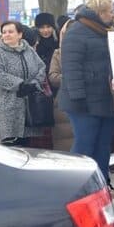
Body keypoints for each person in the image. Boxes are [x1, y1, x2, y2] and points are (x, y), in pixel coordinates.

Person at [59, 0, 114, 194]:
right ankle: (74, 188)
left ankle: (100, 186)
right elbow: (71, 68)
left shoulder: (106, 32)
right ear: (100, 13)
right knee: (85, 145)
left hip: (105, 99)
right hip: (84, 102)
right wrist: (78, 98)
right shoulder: (76, 32)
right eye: (109, 11)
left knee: (103, 146)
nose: (112, 15)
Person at [0, 20, 47, 146]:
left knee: (28, 144)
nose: (6, 35)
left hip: (29, 106)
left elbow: (41, 67)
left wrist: (34, 83)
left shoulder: (29, 50)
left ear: (20, 34)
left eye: (10, 31)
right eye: (4, 32)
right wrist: (20, 84)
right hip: (8, 105)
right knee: (11, 145)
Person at [47, 16, 76, 153]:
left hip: (84, 100)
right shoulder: (58, 53)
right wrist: (73, 78)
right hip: (63, 101)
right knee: (64, 141)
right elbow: (53, 76)